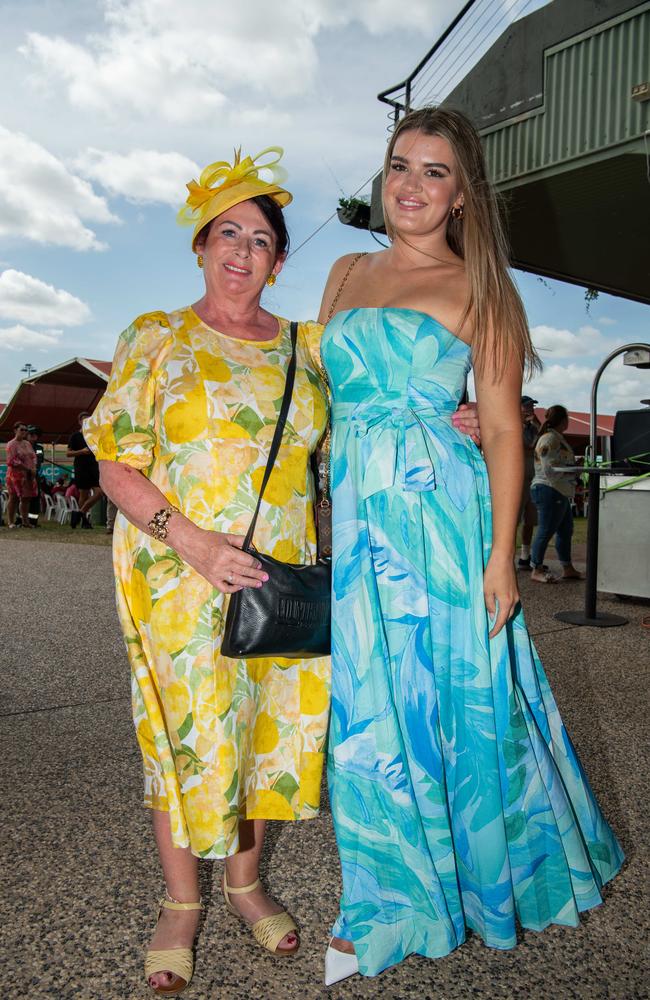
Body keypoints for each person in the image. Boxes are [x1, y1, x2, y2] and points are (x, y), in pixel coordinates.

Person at [83, 147, 481, 997]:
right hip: (174, 577)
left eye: (260, 240)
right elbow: (115, 464)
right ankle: (182, 902)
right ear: (200, 246)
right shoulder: (156, 336)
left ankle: (245, 883)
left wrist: (451, 417)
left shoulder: (309, 349)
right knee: (185, 738)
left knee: (261, 731)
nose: (241, 251)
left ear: (279, 261)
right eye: (226, 233)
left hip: (279, 582)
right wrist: (188, 539)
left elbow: (372, 414)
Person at [317, 107, 623, 984]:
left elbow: (500, 433)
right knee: (373, 712)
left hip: (439, 523)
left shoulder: (482, 288)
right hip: (361, 520)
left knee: (458, 699)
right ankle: (399, 889)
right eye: (398, 166)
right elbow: (328, 400)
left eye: (434, 172)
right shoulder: (343, 273)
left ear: (461, 195)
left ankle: (440, 894)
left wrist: (501, 558)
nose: (410, 186)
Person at [530, 404, 584, 583]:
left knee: (565, 530)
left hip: (559, 490)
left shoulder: (556, 438)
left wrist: (574, 468)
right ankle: (536, 568)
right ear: (563, 421)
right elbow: (549, 469)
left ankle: (567, 567)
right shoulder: (549, 439)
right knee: (546, 530)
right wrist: (573, 469)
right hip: (549, 489)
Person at [67, 412, 104, 528]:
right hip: (81, 467)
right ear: (79, 422)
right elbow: (68, 453)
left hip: (94, 467)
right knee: (84, 494)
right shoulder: (75, 436)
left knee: (99, 492)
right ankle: (84, 520)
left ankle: (80, 513)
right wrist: (81, 452)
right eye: (84, 420)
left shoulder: (94, 435)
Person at [517, 395, 541, 569]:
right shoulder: (514, 427)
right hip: (517, 480)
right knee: (514, 520)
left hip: (532, 478)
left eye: (531, 406)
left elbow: (545, 442)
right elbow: (530, 446)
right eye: (526, 406)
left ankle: (525, 556)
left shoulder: (533, 428)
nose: (530, 409)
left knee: (530, 520)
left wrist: (539, 425)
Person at [5, 421, 37, 528]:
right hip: (15, 475)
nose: (24, 431)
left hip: (28, 475)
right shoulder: (11, 444)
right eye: (21, 429)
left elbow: (33, 456)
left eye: (25, 430)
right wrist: (27, 468)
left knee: (26, 499)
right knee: (13, 498)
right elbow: (12, 461)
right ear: (15, 430)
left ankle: (25, 522)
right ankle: (10, 522)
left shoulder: (27, 443)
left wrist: (33, 468)